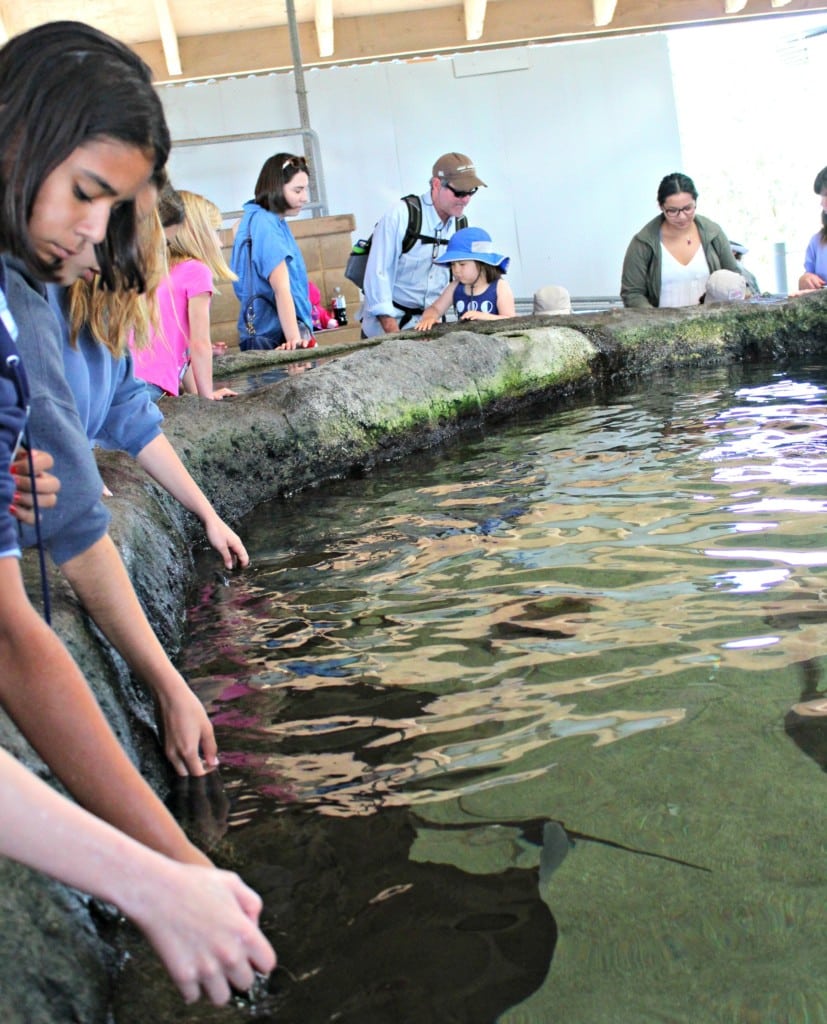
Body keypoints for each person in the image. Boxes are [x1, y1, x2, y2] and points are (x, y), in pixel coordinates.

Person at [0, 20, 274, 1002]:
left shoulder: (22, 302)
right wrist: (167, 878)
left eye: (116, 211)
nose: (94, 235)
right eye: (85, 195)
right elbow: (14, 636)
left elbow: (66, 520)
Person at [360, 152, 486, 337]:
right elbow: (377, 277)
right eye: (459, 192)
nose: (466, 199)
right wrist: (394, 336)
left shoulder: (460, 225)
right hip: (388, 327)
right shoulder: (402, 215)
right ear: (436, 184)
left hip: (430, 326)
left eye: (471, 191)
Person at [133, 190, 237, 400]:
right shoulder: (197, 271)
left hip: (128, 380)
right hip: (151, 386)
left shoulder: (153, 268)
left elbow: (181, 348)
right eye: (215, 232)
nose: (220, 242)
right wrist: (206, 398)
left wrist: (196, 393)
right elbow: (199, 344)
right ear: (197, 234)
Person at [230, 153, 316, 351]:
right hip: (277, 337)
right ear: (276, 187)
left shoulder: (253, 216)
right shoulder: (267, 224)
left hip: (261, 332)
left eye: (305, 190)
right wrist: (295, 340)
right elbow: (281, 288)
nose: (304, 198)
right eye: (298, 190)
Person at [620, 172, 741, 308]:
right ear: (661, 207)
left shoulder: (713, 233)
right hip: (663, 326)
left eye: (688, 208)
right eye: (672, 211)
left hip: (712, 324)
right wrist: (655, 321)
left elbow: (734, 276)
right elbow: (632, 293)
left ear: (696, 202)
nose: (682, 217)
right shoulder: (643, 243)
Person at [414, 227, 515, 331]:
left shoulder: (500, 286)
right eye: (453, 265)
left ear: (482, 263)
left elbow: (512, 321)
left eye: (462, 264)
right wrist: (429, 318)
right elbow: (435, 308)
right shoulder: (455, 286)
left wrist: (485, 317)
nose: (456, 270)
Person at [798, 166, 827, 292]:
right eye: (822, 196)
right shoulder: (817, 242)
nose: (822, 203)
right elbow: (808, 277)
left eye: (826, 195)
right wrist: (805, 280)